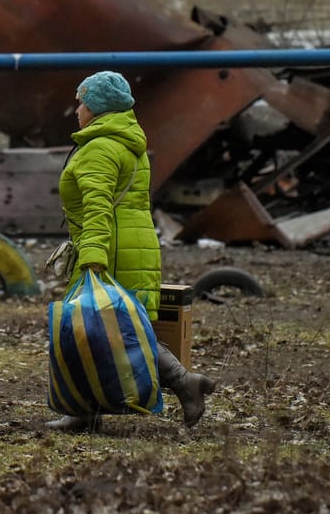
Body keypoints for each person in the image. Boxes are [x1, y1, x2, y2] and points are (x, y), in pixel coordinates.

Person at [45, 71, 216, 432]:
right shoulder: (125, 141)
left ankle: (184, 382)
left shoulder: (101, 148)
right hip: (129, 244)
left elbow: (98, 207)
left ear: (97, 107)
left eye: (82, 102)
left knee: (106, 331)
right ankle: (83, 411)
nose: (77, 109)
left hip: (111, 248)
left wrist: (92, 257)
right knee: (108, 330)